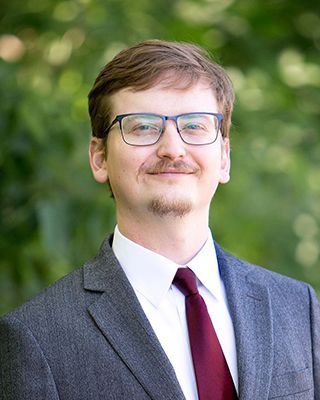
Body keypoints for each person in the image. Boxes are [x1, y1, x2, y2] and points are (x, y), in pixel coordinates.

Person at [0, 40, 319, 400]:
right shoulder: (36, 338)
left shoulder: (298, 308)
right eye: (142, 127)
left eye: (195, 126)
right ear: (100, 158)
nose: (172, 148)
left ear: (224, 157)